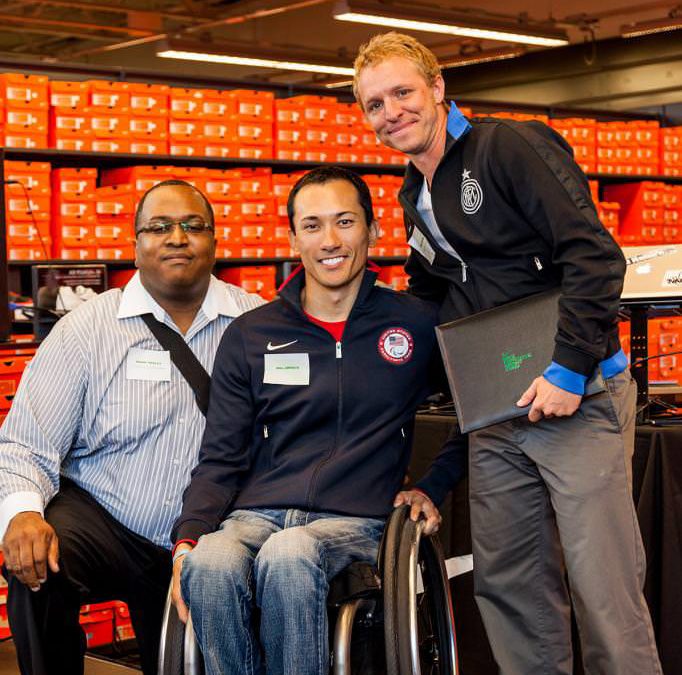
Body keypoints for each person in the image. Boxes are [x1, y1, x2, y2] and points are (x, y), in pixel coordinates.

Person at [353, 32, 662, 675]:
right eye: (374, 104)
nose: (391, 113)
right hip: (496, 413)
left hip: (574, 397)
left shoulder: (509, 146)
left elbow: (594, 256)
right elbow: (434, 297)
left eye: (402, 93)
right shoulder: (416, 193)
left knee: (605, 594)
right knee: (511, 589)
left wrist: (568, 367)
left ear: (438, 89)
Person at [171, 166, 465, 675]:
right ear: (293, 237)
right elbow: (220, 456)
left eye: (345, 221)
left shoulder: (414, 323)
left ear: (373, 231)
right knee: (209, 562)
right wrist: (188, 538)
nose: (329, 240)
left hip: (357, 520)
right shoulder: (251, 334)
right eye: (312, 225)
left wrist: (432, 487)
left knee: (290, 551)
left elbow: (476, 411)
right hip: (254, 516)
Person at [0, 179, 263, 675]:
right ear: (135, 243)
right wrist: (21, 515)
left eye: (193, 226)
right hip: (107, 520)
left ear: (215, 240)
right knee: (40, 564)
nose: (177, 238)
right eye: (159, 227)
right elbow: (25, 444)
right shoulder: (85, 329)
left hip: (214, 530)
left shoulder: (256, 322)